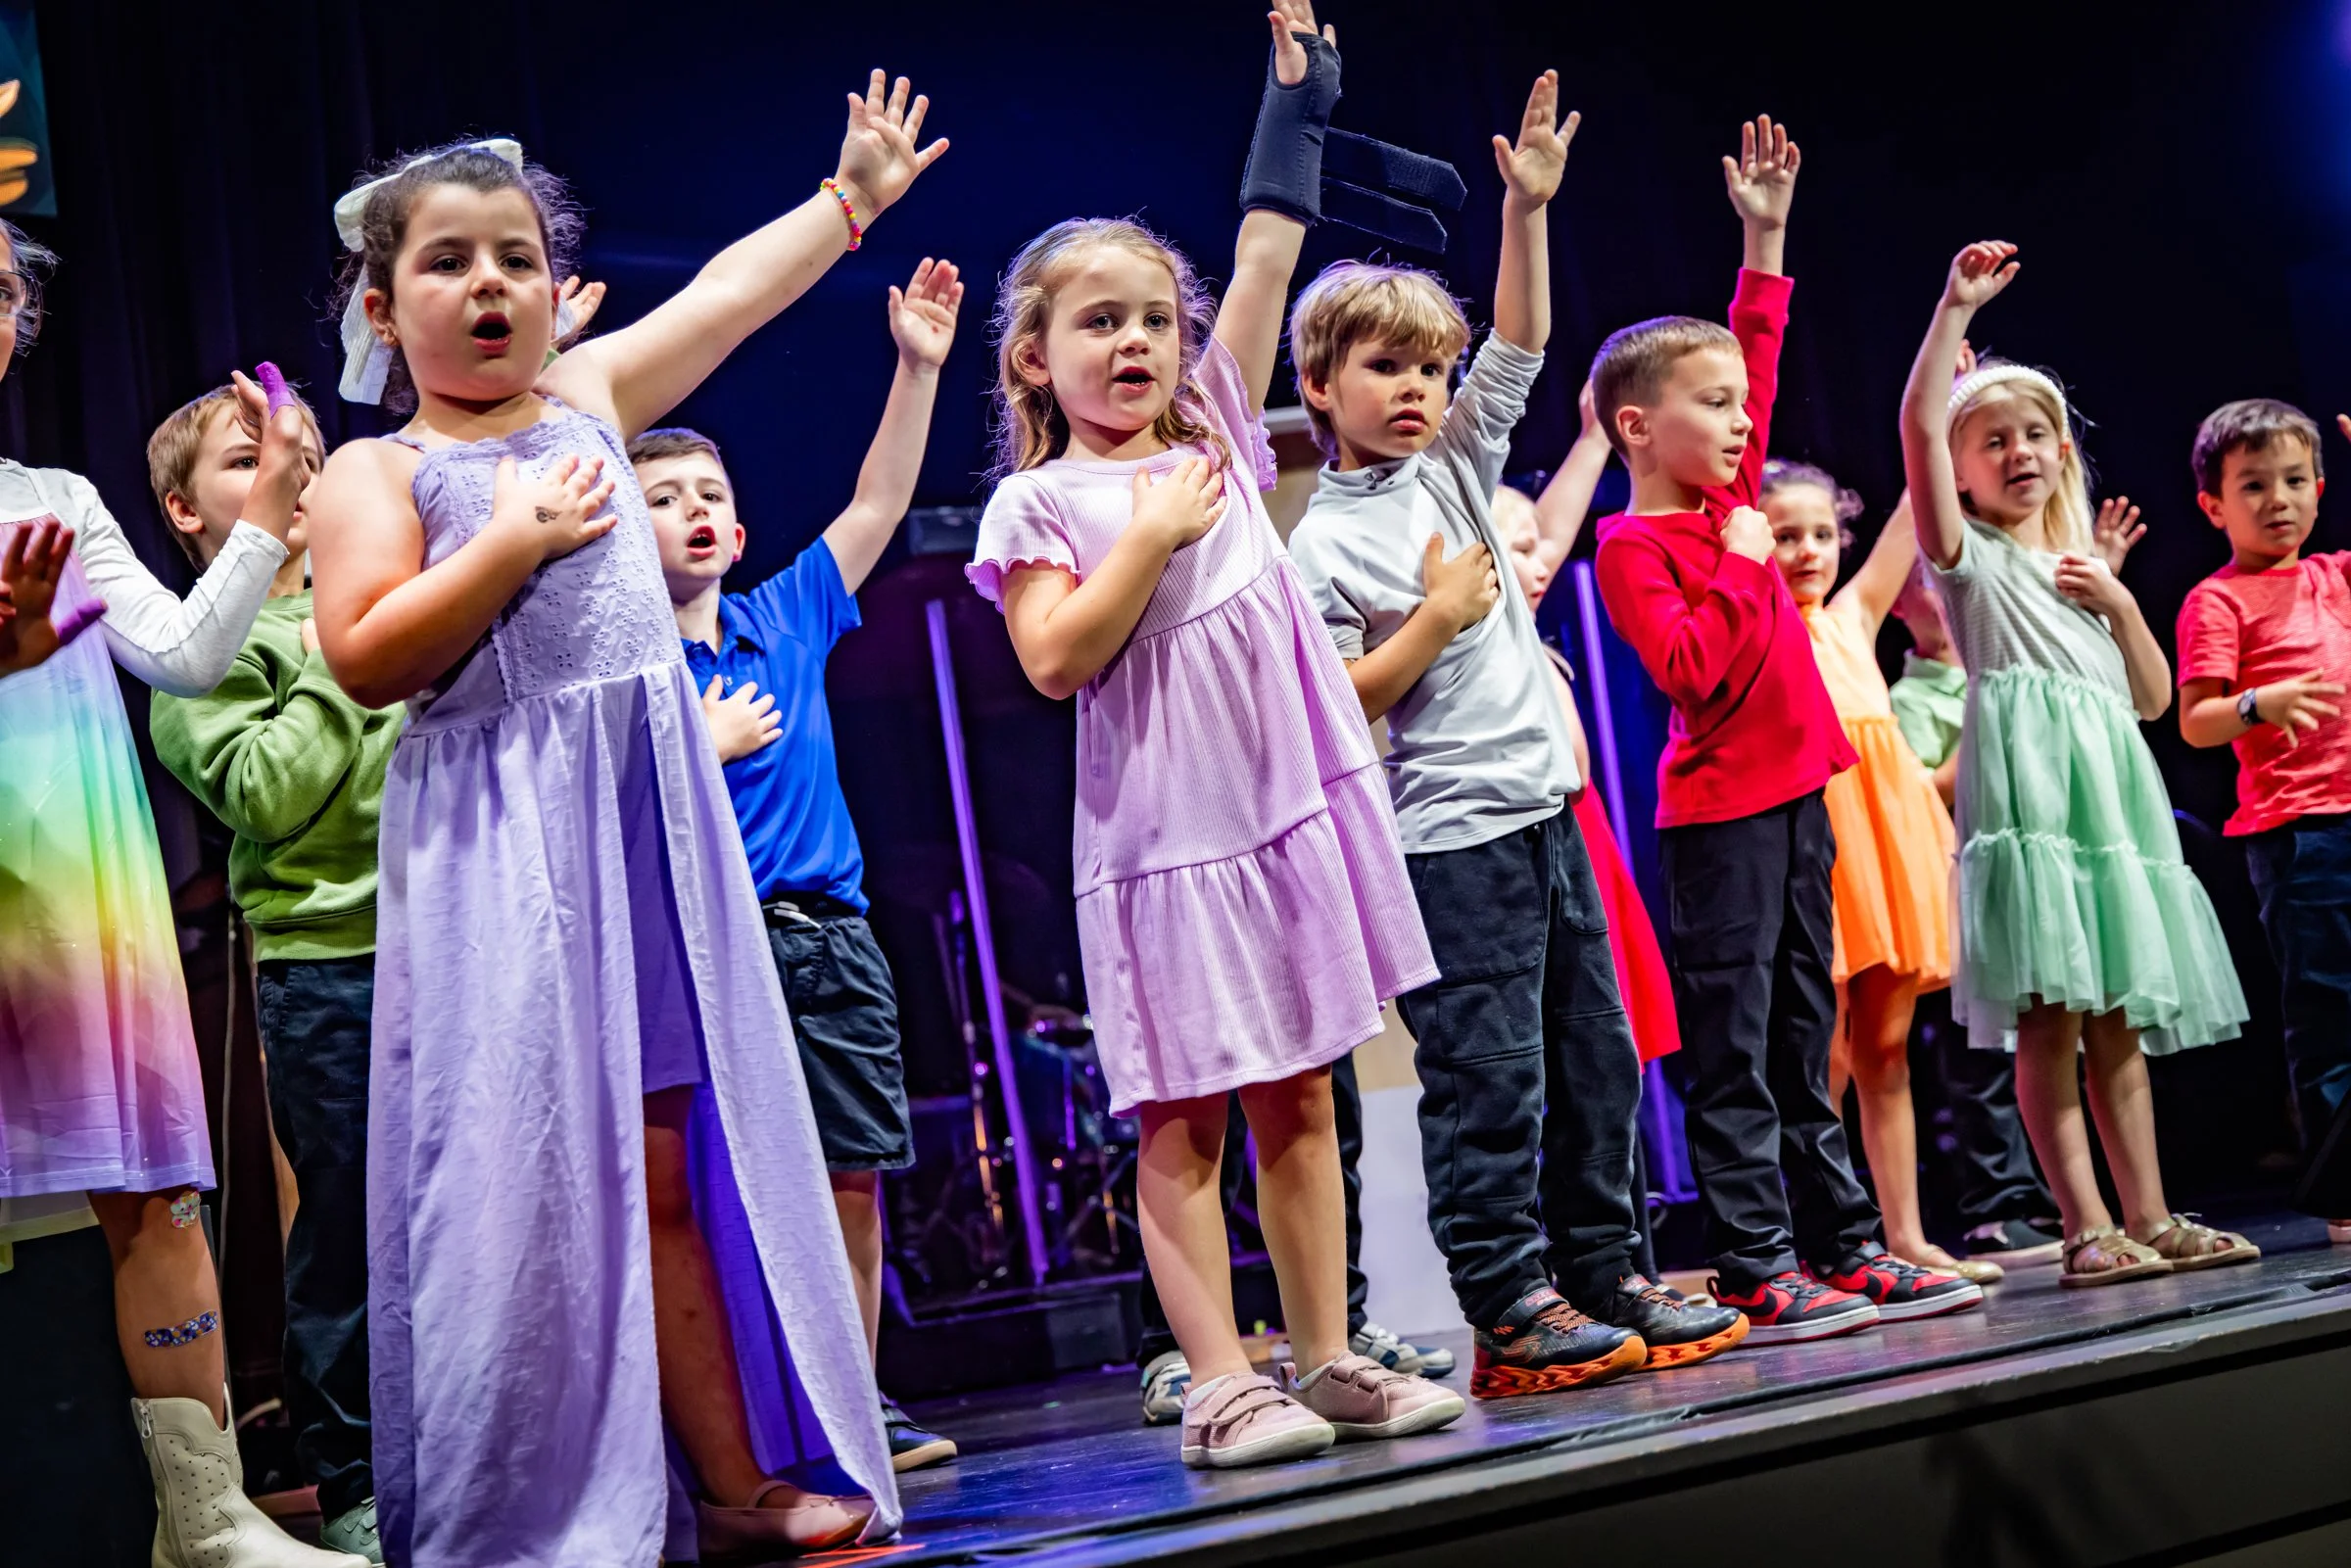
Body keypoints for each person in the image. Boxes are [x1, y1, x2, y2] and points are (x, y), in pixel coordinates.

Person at [305, 79, 946, 1563]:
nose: (489, 287)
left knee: (665, 1168)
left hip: (646, 847)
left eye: (516, 259)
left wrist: (849, 201)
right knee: (524, 1185)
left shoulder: (590, 406)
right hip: (506, 859)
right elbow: (366, 652)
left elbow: (727, 298)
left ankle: (729, 1485)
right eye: (448, 262)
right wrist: (513, 540)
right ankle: (519, 1501)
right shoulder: (378, 470)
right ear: (384, 307)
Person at [967, 3, 1462, 1471]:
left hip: (1282, 818)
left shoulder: (1219, 438)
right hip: (1168, 844)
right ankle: (1218, 1377)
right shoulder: (1042, 505)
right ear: (1034, 360)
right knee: (1180, 1120)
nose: (1134, 341)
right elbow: (1055, 657)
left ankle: (1324, 1356)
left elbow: (1262, 249)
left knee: (1303, 1090)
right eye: (1097, 321)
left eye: (1151, 320)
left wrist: (1295, 98)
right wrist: (1151, 542)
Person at [1286, 74, 1746, 1400]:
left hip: (1547, 813)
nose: (1422, 387)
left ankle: (1605, 1269)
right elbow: (1339, 707)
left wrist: (1524, 211)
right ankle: (1507, 1298)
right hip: (1449, 842)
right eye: (1387, 367)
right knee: (1489, 1077)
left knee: (1594, 1060)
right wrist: (1434, 619)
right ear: (1321, 384)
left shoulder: (1451, 467)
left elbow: (1525, 345)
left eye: (1430, 367)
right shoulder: (1322, 540)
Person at [0, 219, 364, 1567]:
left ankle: (206, 1521)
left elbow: (194, 657)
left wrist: (265, 522)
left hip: (65, 885)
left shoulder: (55, 493)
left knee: (148, 1192)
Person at [1591, 119, 1981, 1342]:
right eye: (1709, 407)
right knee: (1742, 1044)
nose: (1738, 422)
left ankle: (1847, 1242)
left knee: (1811, 1030)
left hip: (1801, 796)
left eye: (1738, 405)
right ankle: (1757, 1259)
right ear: (1636, 429)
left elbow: (1750, 347)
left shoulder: (1725, 508)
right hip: (1719, 822)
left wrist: (1765, 233)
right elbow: (1696, 671)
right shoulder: (1639, 545)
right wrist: (1743, 565)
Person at [630, 255, 967, 1473]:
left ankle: (853, 1400)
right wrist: (691, 747)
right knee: (724, 1195)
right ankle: (754, 1423)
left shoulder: (783, 615)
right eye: (663, 497)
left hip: (829, 937)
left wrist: (917, 368)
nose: (696, 509)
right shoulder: (627, 676)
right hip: (712, 950)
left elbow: (877, 503)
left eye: (709, 490)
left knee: (849, 1175)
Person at [1896, 239, 2255, 1288]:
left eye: (2036, 434)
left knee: (2118, 1020)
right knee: (2051, 1018)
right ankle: (2084, 1225)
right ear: (1960, 470)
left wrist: (2122, 600)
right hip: (2039, 809)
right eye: (1992, 438)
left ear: (2063, 450)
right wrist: (1955, 312)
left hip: (2110, 810)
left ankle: (2149, 1212)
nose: (2019, 451)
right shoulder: (1971, 564)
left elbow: (2151, 701)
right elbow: (1917, 426)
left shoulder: (2078, 574)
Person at [146, 381, 403, 1561]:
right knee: (348, 1236)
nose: (291, 470)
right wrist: (335, 656)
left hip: (461, 935)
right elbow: (263, 792)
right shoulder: (201, 654)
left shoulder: (386, 584)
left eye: (299, 450)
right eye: (254, 459)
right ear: (184, 512)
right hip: (330, 969)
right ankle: (352, 1475)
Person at [1756, 465, 1984, 1282]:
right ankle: (1824, 1232)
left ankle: (1906, 1232)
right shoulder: (1760, 624)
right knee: (1827, 1054)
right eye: (1786, 535)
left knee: (1887, 1048)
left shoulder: (1853, 617)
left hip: (1891, 846)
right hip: (1825, 850)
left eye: (1821, 534)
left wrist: (1941, 421)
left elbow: (1907, 514)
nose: (1808, 550)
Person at [2175, 398, 2351, 1247]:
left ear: (2320, 489)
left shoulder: (2336, 575)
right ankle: (2346, 1187)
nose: (2277, 498)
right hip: (2298, 832)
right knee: (2328, 1013)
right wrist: (2260, 701)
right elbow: (2196, 720)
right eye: (2254, 484)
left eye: (2293, 481)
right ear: (2214, 505)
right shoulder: (2218, 601)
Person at [1887, 567, 2068, 1268]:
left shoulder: (2005, 669)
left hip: (2031, 876)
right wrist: (1982, 720)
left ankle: (2055, 1192)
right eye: (1926, 585)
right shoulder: (1908, 697)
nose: (1945, 597)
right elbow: (1920, 790)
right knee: (1979, 1054)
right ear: (1900, 606)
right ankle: (1998, 1204)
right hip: (1962, 884)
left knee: (2047, 1036)